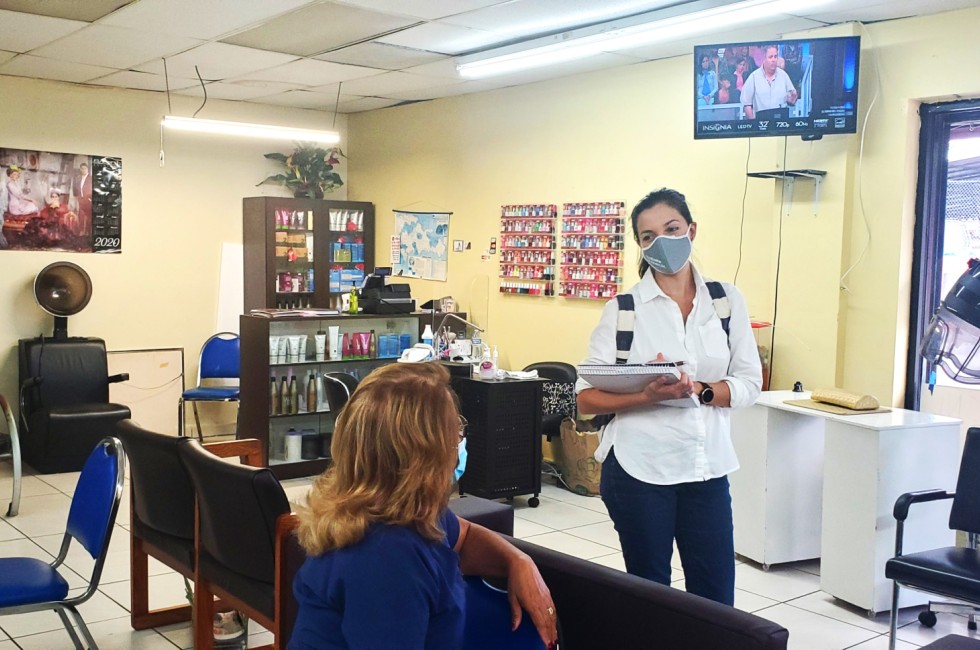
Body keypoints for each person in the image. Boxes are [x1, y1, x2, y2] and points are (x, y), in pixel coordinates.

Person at [576, 188, 762, 606]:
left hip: (706, 470)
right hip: (640, 470)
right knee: (649, 596)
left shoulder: (726, 301)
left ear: (691, 230)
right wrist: (646, 394)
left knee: (715, 598)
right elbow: (585, 398)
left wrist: (700, 390)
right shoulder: (624, 309)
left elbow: (750, 382)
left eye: (671, 229)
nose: (659, 241)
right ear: (641, 245)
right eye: (647, 236)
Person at [290, 363, 557, 649]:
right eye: (455, 433)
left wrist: (517, 561)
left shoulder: (400, 510)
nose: (460, 443)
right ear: (424, 455)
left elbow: (462, 536)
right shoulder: (388, 557)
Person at [740, 45, 797, 120]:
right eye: (770, 57)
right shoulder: (754, 77)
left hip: (781, 123)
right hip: (761, 124)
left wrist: (792, 99)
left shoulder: (784, 75)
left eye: (775, 56)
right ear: (764, 59)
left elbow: (792, 99)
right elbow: (746, 103)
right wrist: (753, 122)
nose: (773, 60)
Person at [72, 162, 92, 236]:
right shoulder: (78, 178)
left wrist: (91, 199)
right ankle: (81, 231)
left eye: (85, 168)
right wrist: (77, 197)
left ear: (87, 169)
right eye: (82, 169)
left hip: (88, 200)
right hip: (81, 199)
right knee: (81, 215)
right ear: (80, 169)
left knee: (89, 216)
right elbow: (75, 188)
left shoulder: (91, 178)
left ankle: (87, 231)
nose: (83, 170)